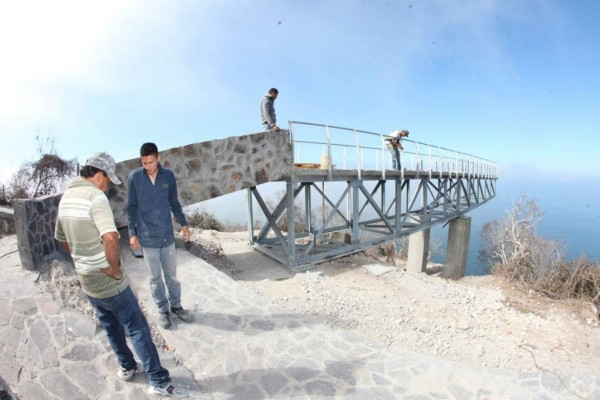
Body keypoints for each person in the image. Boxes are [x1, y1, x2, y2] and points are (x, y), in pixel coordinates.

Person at [54, 152, 188, 398]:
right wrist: (114, 270)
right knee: (137, 327)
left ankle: (127, 366)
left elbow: (61, 240)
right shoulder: (95, 198)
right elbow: (111, 237)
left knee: (110, 324)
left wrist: (82, 257)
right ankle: (158, 381)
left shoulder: (67, 198)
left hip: (87, 280)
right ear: (98, 175)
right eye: (107, 181)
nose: (107, 187)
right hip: (109, 282)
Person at [126, 142, 192, 329]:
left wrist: (184, 224)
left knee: (171, 275)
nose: (148, 167)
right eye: (144, 163)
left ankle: (176, 306)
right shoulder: (135, 178)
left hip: (167, 237)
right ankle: (162, 309)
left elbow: (174, 203)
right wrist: (132, 233)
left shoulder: (168, 176)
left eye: (151, 162)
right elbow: (130, 208)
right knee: (155, 278)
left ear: (158, 158)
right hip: (147, 238)